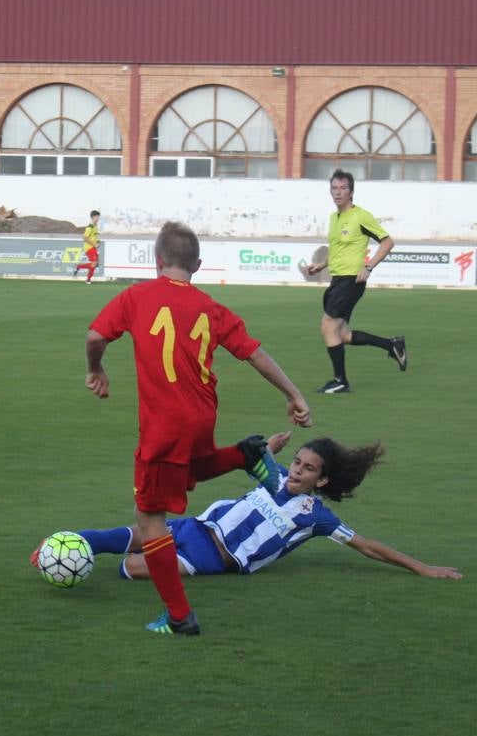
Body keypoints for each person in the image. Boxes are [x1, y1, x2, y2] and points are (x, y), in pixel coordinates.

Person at [86, 221, 313, 636]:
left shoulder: (137, 296)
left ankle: (179, 617)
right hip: (203, 413)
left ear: (157, 261)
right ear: (198, 265)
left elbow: (95, 335)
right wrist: (293, 393)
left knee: (149, 518)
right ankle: (244, 454)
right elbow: (254, 353)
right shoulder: (211, 308)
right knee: (191, 467)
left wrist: (96, 366)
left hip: (164, 424)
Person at [43, 430, 462, 583]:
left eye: (308, 468)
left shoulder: (316, 517)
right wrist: (266, 448)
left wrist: (423, 567)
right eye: (297, 461)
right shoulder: (274, 476)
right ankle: (57, 548)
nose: (297, 470)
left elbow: (367, 546)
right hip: (194, 527)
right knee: (124, 536)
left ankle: (73, 557)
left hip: (212, 558)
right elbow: (249, 453)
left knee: (132, 568)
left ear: (323, 480)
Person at [303, 169, 406, 394]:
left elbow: (387, 242)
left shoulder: (361, 216)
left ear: (351, 192)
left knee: (327, 326)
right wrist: (321, 265)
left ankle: (341, 381)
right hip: (337, 280)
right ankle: (392, 344)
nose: (338, 192)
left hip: (351, 281)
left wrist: (368, 267)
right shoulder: (334, 217)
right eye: (334, 188)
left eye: (343, 188)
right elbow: (337, 248)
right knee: (341, 335)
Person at [72, 209, 100, 283]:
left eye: (98, 217)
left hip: (93, 247)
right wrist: (94, 244)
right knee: (94, 263)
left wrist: (97, 241)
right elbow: (85, 238)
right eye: (97, 217)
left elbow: (93, 236)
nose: (98, 218)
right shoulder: (90, 227)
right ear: (93, 217)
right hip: (89, 247)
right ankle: (88, 280)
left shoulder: (95, 226)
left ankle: (79, 267)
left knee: (95, 264)